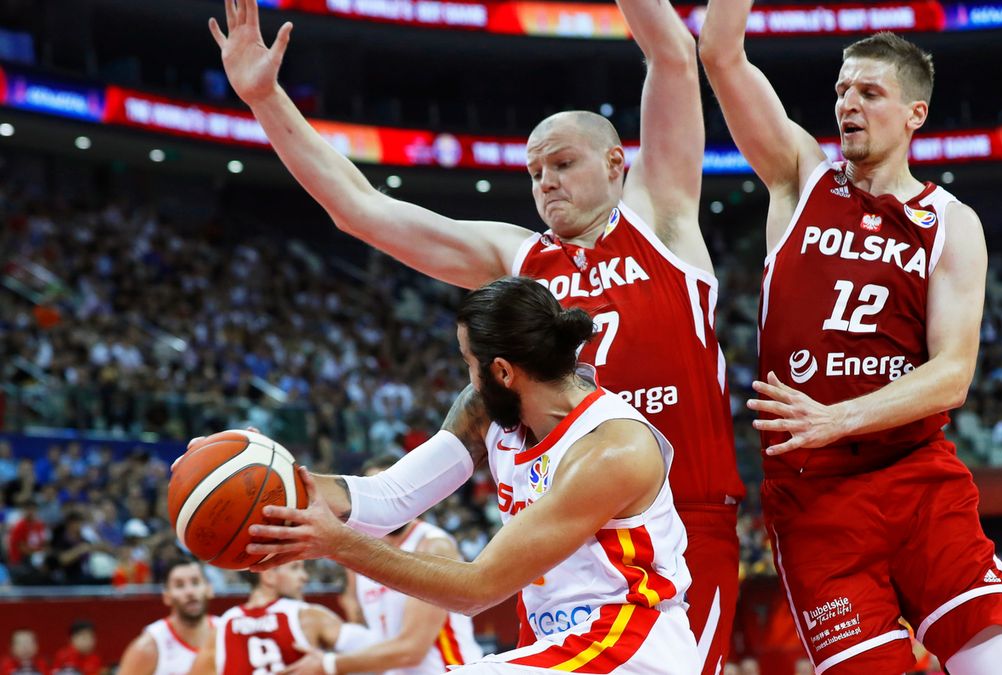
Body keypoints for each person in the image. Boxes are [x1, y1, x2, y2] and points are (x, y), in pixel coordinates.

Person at [207, 2, 743, 670]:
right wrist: (265, 99)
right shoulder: (517, 262)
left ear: (615, 163)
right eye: (535, 172)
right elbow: (361, 210)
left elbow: (671, 54)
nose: (546, 182)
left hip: (675, 520)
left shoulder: (661, 222)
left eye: (562, 163)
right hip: (552, 547)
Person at [698, 15, 1002, 675]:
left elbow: (953, 375)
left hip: (916, 477)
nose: (848, 103)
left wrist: (837, 418)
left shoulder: (950, 222)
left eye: (870, 92)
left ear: (914, 114)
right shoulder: (801, 179)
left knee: (995, 662)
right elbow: (720, 53)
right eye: (842, 90)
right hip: (814, 500)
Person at [241, 277, 700, 673]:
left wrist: (336, 543)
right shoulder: (485, 411)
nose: (469, 377)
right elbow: (389, 496)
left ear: (502, 371)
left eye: (468, 362)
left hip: (630, 644)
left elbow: (478, 587)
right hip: (559, 646)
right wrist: (271, 472)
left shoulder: (610, 448)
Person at [286, 457, 482, 675]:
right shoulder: (358, 551)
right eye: (377, 492)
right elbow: (364, 628)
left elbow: (412, 650)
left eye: (392, 491)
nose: (386, 501)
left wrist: (329, 664)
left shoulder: (433, 545)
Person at [188, 561, 378, 675]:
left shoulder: (222, 629)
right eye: (295, 568)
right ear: (269, 575)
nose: (304, 577)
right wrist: (331, 663)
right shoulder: (308, 617)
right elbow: (376, 650)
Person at [116, 558, 216, 675]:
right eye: (179, 585)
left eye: (195, 582)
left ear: (209, 589)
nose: (190, 591)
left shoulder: (226, 632)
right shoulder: (148, 647)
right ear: (167, 597)